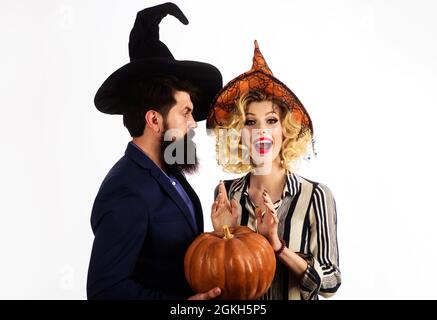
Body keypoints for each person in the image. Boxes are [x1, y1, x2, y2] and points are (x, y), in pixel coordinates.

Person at [87, 3, 223, 299]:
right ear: (154, 120)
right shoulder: (126, 190)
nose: (193, 124)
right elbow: (105, 290)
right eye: (186, 113)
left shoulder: (168, 171)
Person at [207, 41, 341, 300]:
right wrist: (224, 236)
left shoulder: (316, 196)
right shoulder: (226, 193)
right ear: (238, 133)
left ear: (285, 130)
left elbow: (331, 282)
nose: (261, 132)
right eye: (250, 122)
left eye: (271, 121)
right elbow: (217, 275)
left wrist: (278, 246)